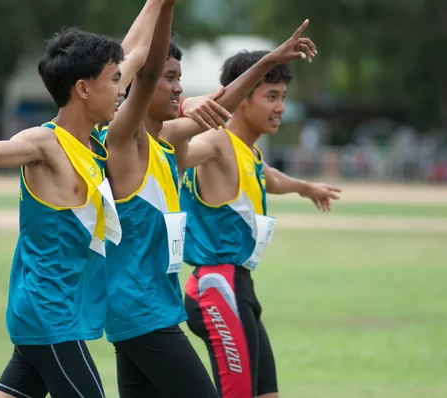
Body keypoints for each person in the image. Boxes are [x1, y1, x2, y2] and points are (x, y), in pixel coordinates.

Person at [0, 3, 165, 395]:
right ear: (82, 88)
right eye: (114, 81)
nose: (121, 90)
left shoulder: (93, 143)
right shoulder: (44, 142)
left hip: (57, 312)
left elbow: (137, 53)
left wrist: (159, 4)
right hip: (50, 316)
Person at [101, 7, 320, 398]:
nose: (178, 88)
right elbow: (146, 71)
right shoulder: (126, 139)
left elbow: (222, 105)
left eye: (180, 79)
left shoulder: (164, 142)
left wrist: (269, 60)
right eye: (170, 78)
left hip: (154, 307)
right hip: (144, 309)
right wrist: (163, 5)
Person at [180, 25, 342, 398]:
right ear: (240, 98)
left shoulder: (247, 152)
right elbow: (180, 152)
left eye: (283, 96)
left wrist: (305, 187)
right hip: (217, 285)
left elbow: (268, 177)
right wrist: (185, 109)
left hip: (239, 287)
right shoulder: (216, 142)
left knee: (266, 393)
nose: (280, 107)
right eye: (271, 96)